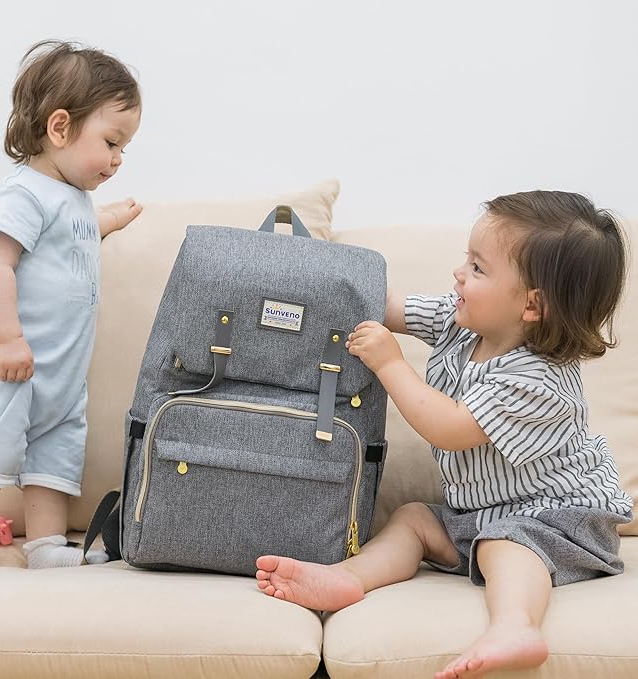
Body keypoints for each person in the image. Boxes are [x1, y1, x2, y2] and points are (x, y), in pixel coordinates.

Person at [256, 191, 633, 678]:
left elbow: (450, 427)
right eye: (466, 259)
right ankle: (347, 578)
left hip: (560, 519)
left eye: (478, 268)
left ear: (532, 305)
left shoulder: (538, 380)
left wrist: (390, 363)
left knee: (506, 542)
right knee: (414, 518)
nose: (459, 274)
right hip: (482, 515)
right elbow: (386, 305)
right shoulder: (463, 322)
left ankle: (516, 626)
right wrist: (317, 278)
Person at [0, 40, 142, 573]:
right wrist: (9, 338)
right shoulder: (19, 194)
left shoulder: (76, 199)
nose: (118, 159)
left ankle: (44, 547)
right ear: (60, 127)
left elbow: (75, 236)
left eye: (124, 148)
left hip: (60, 372)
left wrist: (111, 220)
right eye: (112, 142)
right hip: (10, 366)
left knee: (55, 457)